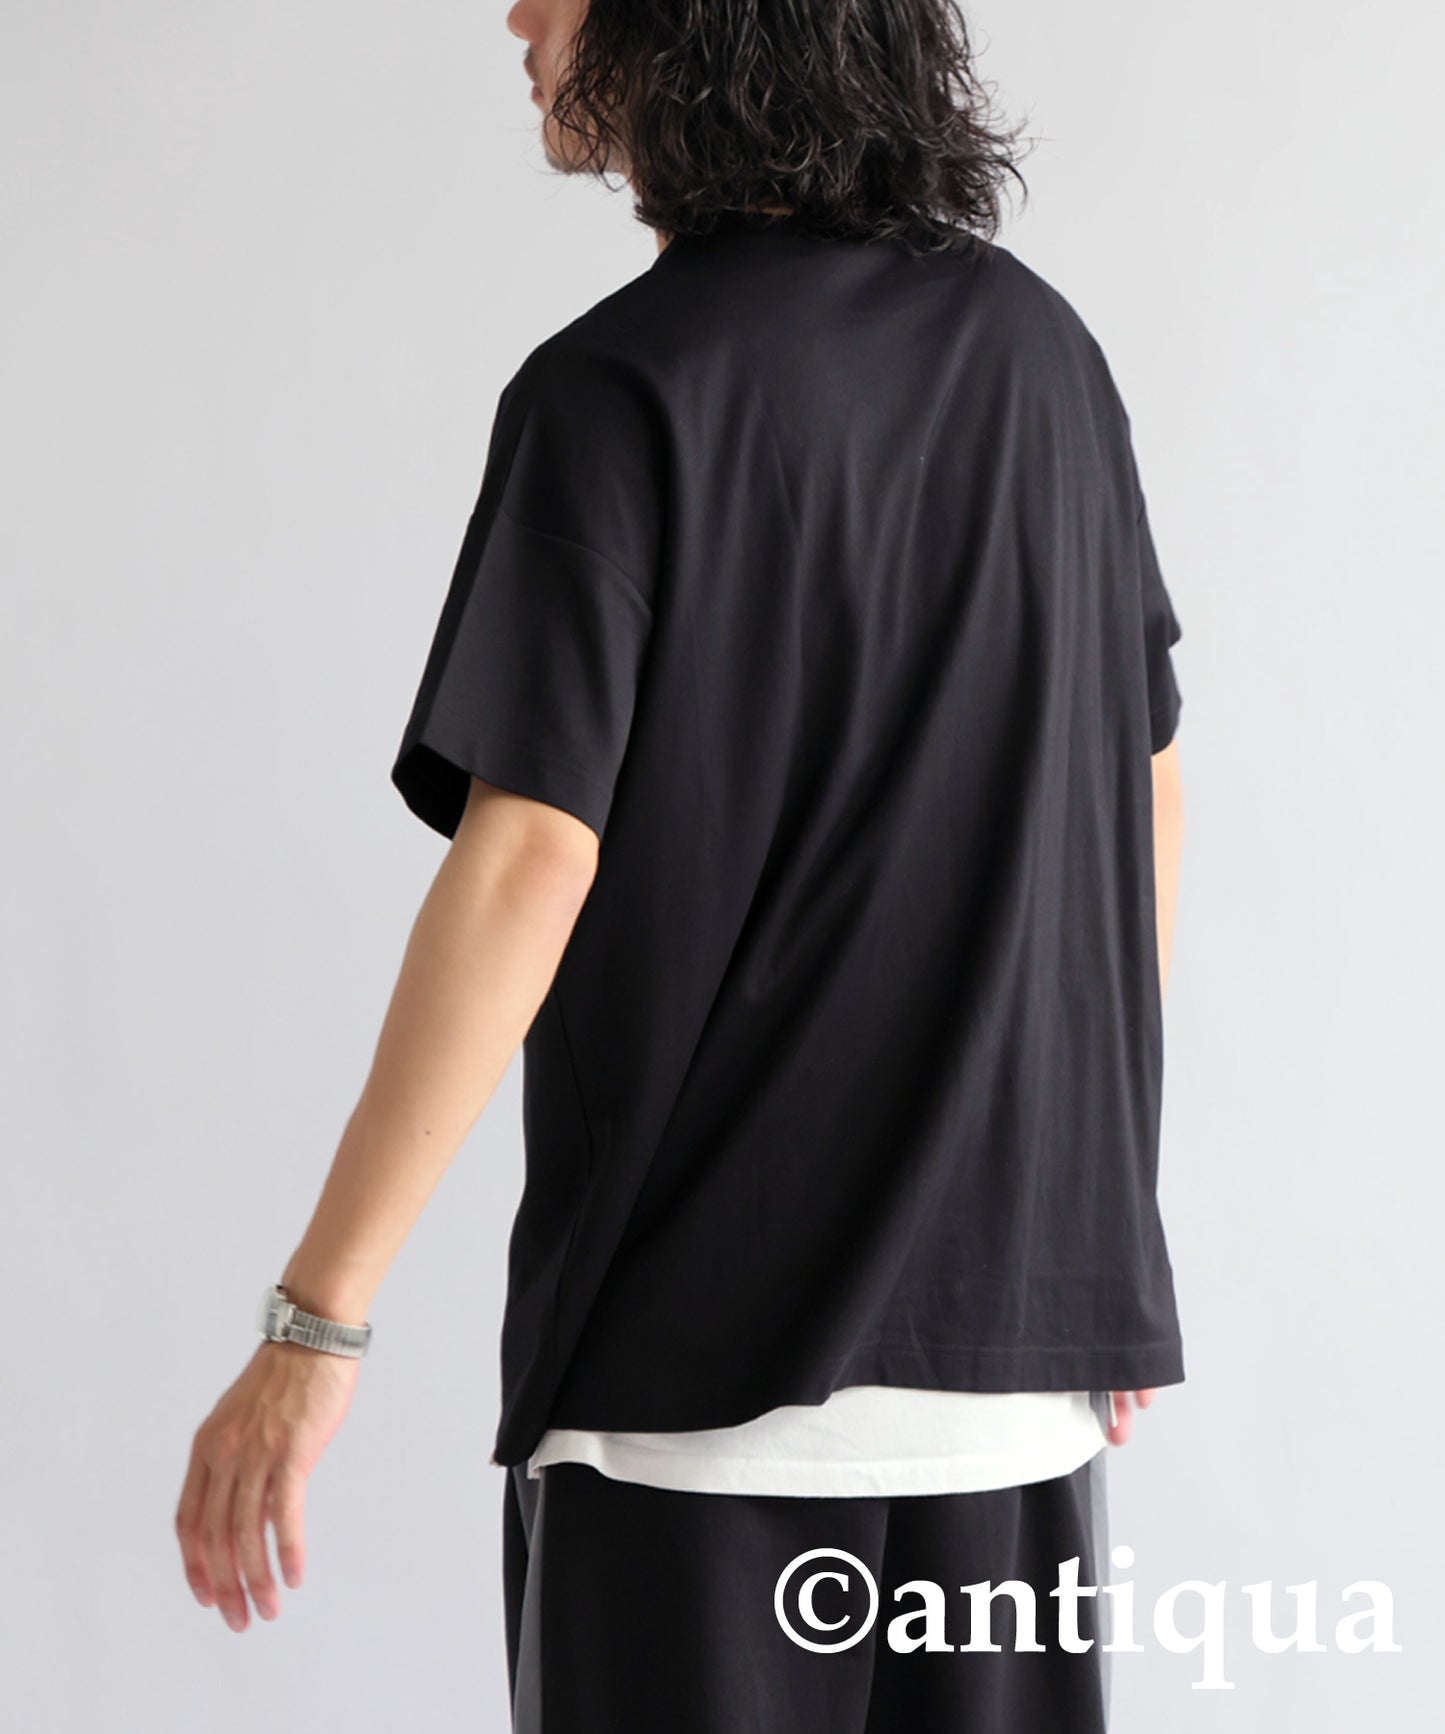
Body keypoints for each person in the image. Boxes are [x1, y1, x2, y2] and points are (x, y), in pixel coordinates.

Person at [175, 2, 1187, 1728]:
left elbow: (527, 861)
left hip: (696, 1398)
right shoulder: (1043, 357)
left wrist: (315, 1323)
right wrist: (1092, 1222)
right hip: (1013, 1392)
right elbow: (1139, 788)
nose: (517, 12)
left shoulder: (618, 390)